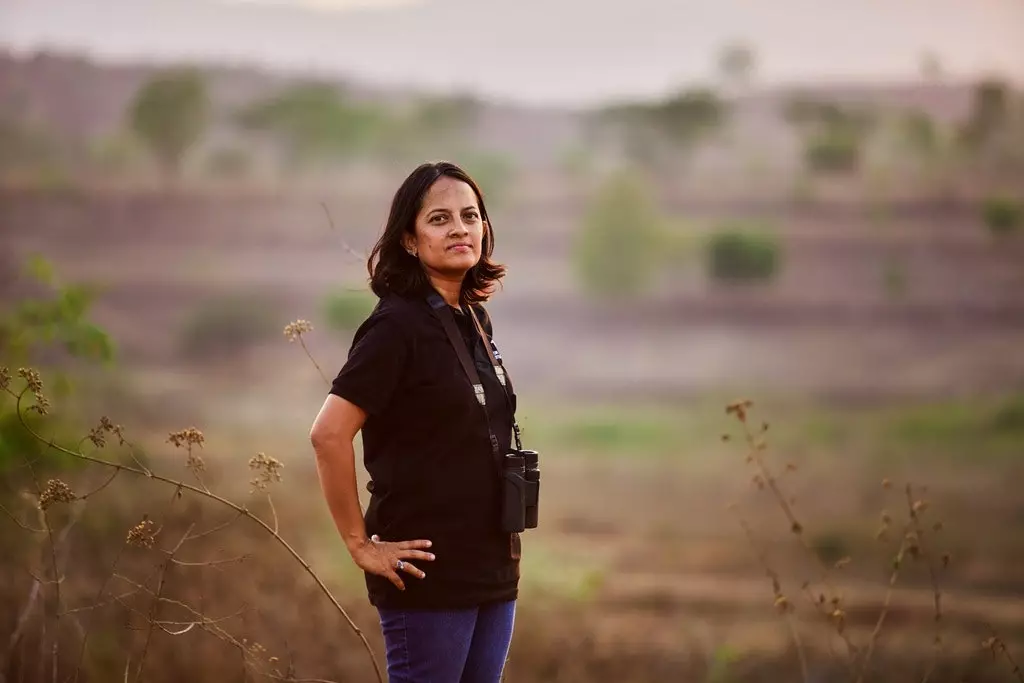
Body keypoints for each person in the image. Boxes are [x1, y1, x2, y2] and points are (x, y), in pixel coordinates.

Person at [309, 161, 524, 683]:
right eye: (440, 219)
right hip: (426, 577)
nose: (459, 228)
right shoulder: (396, 327)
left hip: (492, 566)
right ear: (408, 239)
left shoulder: (471, 315)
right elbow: (328, 433)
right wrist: (361, 545)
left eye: (470, 216)